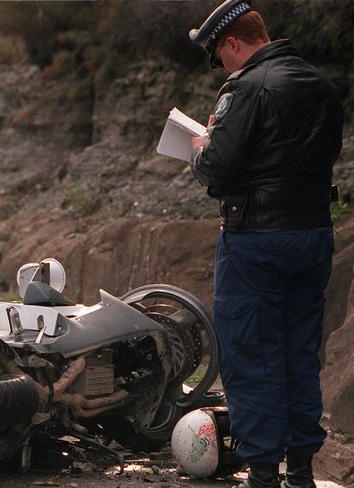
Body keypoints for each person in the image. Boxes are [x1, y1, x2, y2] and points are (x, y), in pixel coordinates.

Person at [187, 1, 343, 488]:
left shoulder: (247, 86)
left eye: (220, 56)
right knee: (300, 351)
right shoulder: (321, 84)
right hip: (313, 232)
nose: (222, 66)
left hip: (256, 238)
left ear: (233, 42)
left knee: (252, 354)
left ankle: (261, 472)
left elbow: (217, 167)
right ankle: (300, 471)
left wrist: (200, 148)